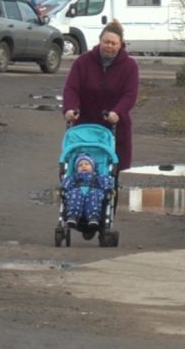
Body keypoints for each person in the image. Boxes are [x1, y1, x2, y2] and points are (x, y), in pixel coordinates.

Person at [62, 19, 139, 171]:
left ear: (120, 44)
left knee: (110, 169)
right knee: (81, 165)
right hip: (85, 125)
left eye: (113, 43)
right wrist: (69, 109)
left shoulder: (129, 66)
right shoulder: (83, 62)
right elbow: (71, 88)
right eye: (106, 42)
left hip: (114, 124)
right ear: (99, 41)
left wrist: (117, 112)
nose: (109, 46)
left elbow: (129, 95)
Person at [60, 153, 113, 228]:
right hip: (77, 192)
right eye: (80, 165)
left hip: (93, 191)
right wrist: (64, 189)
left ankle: (93, 216)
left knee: (95, 195)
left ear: (93, 167)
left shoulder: (99, 177)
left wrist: (108, 190)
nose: (83, 166)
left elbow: (106, 183)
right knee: (74, 194)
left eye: (87, 164)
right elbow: (67, 183)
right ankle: (72, 215)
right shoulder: (74, 177)